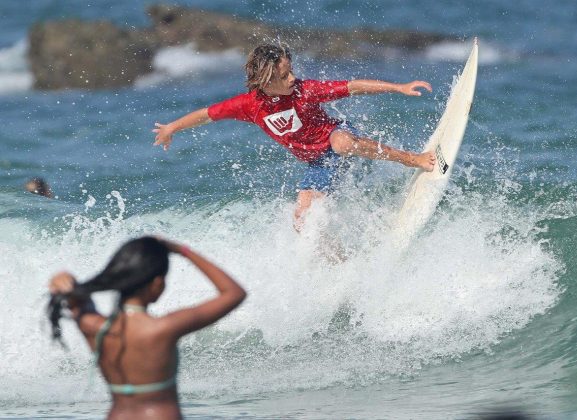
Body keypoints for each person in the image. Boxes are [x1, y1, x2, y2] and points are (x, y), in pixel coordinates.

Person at [153, 43, 436, 230]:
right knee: (302, 220)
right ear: (266, 81)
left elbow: (352, 86)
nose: (292, 78)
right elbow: (206, 114)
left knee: (342, 143)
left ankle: (412, 159)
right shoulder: (249, 105)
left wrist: (398, 87)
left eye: (291, 71)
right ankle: (337, 265)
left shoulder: (304, 90)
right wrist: (171, 128)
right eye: (285, 75)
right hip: (318, 163)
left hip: (337, 135)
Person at [47, 236, 246, 420]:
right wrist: (182, 250)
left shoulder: (94, 327)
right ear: (157, 284)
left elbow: (72, 295)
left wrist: (63, 277)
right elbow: (234, 293)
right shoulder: (164, 328)